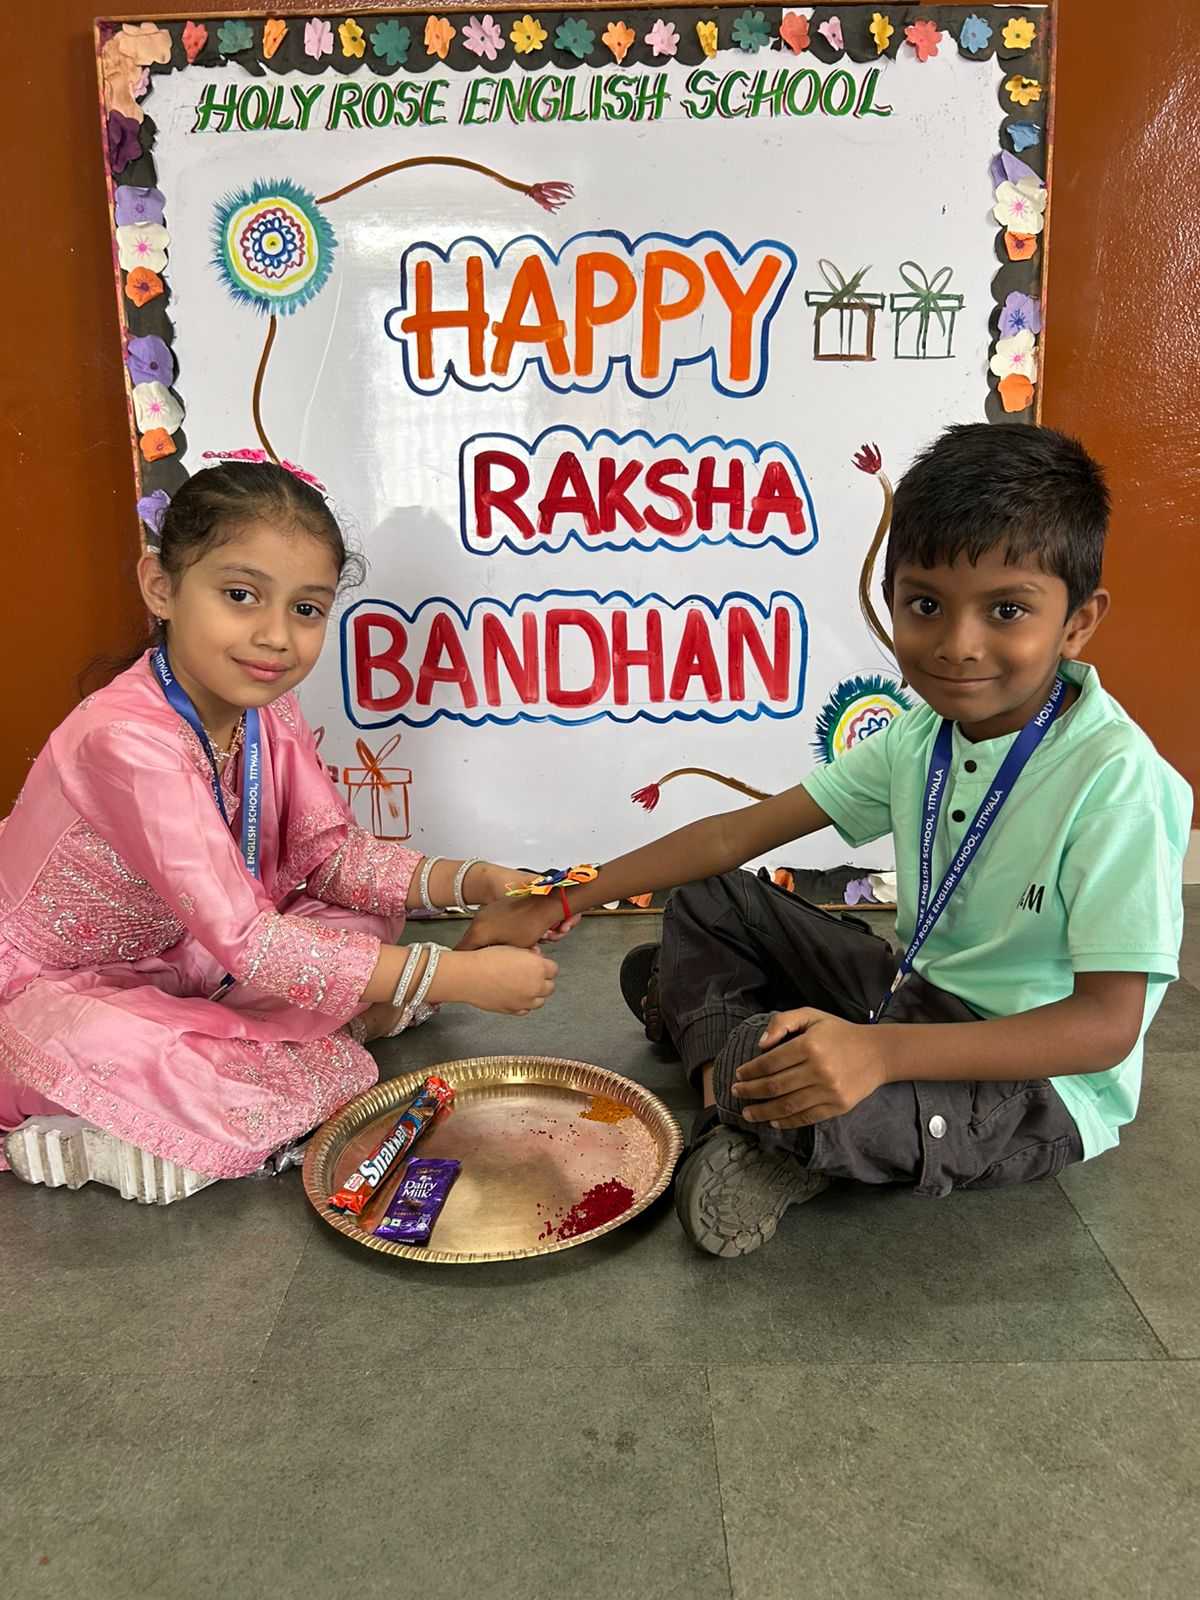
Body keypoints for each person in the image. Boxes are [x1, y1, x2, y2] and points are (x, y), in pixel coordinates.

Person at [462, 424, 1192, 1257]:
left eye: (1007, 611)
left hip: (1033, 1084)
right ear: (892, 600)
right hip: (910, 994)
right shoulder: (923, 734)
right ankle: (749, 1091)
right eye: (926, 605)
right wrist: (557, 898)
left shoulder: (1118, 782)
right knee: (710, 901)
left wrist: (877, 1053)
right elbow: (733, 835)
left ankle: (738, 1079)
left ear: (1078, 623)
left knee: (802, 1059)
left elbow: (1105, 1029)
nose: (958, 646)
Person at [0, 458, 560, 1202]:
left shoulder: (266, 709)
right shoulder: (124, 742)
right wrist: (456, 978)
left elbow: (329, 858)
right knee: (156, 1043)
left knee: (364, 917)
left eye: (306, 609)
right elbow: (253, 942)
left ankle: (270, 1054)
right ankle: (132, 1109)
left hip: (192, 954)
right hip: (55, 985)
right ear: (161, 587)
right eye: (240, 596)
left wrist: (475, 880)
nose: (275, 637)